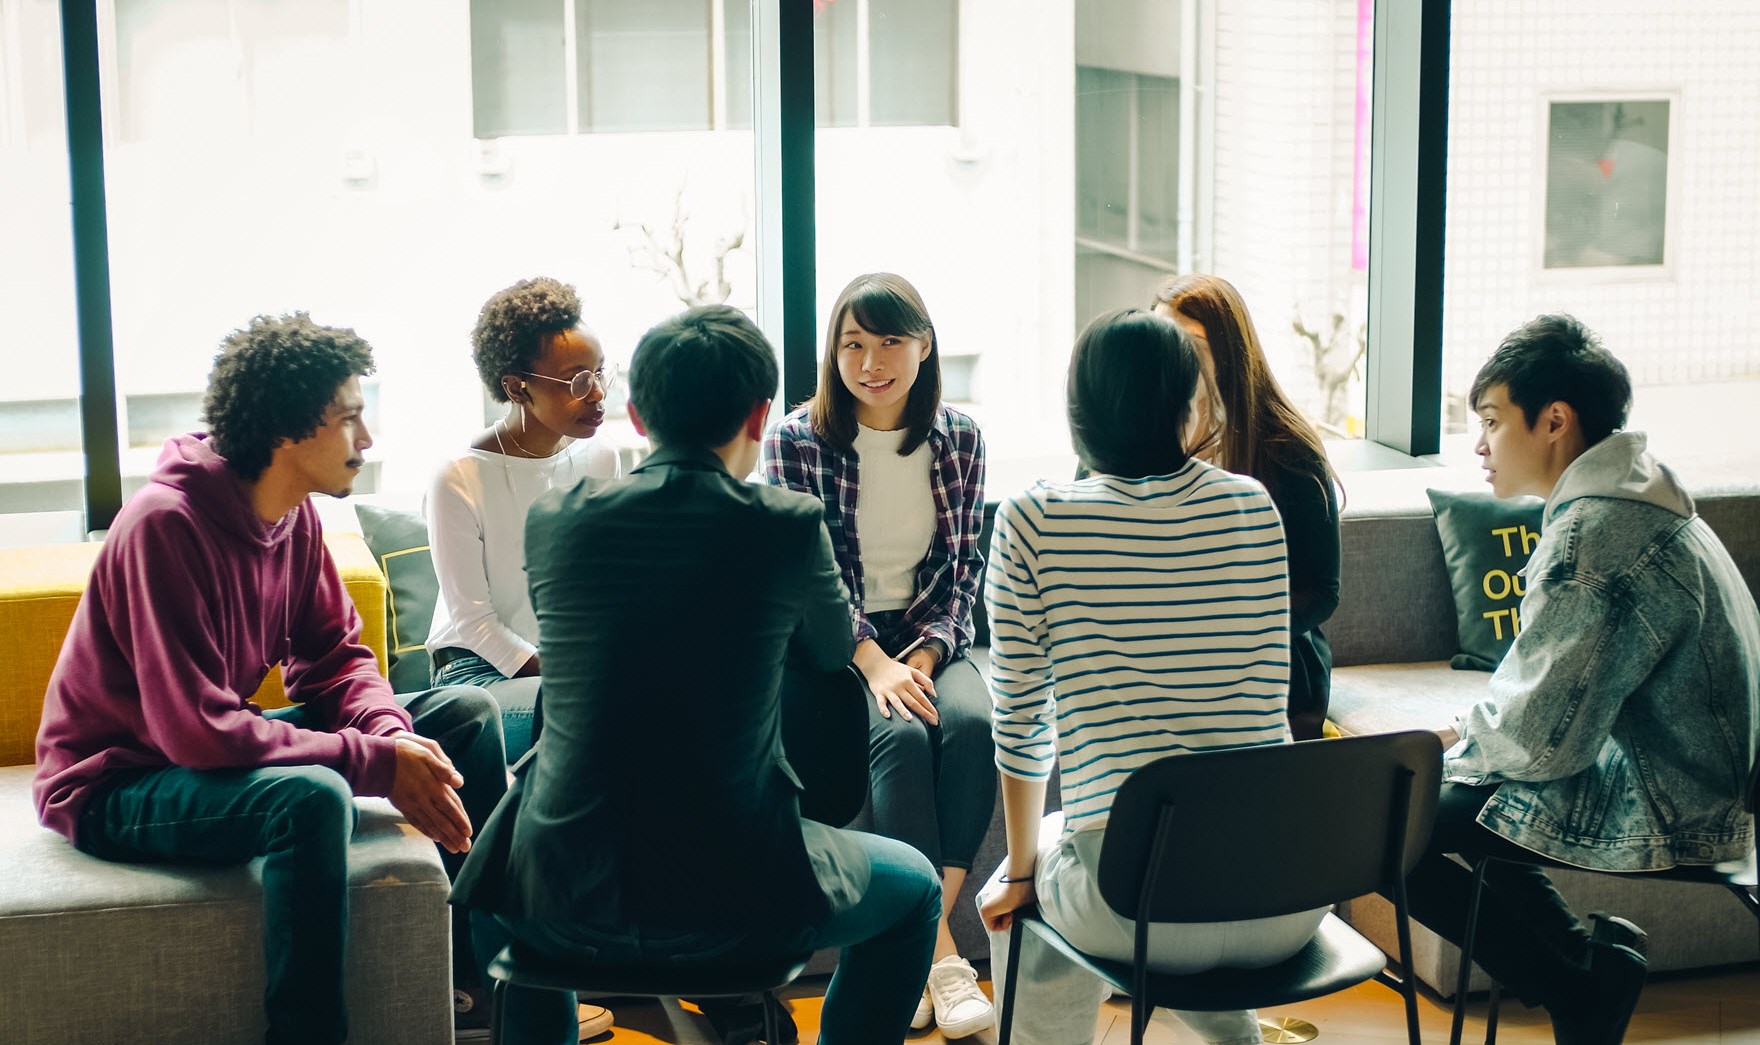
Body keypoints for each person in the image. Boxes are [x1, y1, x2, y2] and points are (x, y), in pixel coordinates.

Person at [451, 305, 943, 1045]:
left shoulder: (559, 522)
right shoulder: (786, 524)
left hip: (559, 885)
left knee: (515, 930)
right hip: (741, 892)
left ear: (637, 415)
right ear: (760, 414)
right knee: (915, 889)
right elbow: (833, 644)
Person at [32, 313, 509, 1045]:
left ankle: (471, 988)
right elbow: (192, 730)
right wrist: (373, 762)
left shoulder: (296, 518)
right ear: (288, 428)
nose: (368, 439)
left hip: (195, 748)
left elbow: (335, 658)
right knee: (311, 798)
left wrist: (389, 734)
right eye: (351, 419)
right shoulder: (166, 524)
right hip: (118, 779)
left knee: (466, 713)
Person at [1400, 314, 1759, 1045]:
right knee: (1451, 795)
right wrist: (1464, 736)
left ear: (1555, 420)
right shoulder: (1639, 495)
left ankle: (1578, 980)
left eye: (1493, 421)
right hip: (1698, 772)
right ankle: (1583, 971)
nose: (1479, 443)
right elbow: (1547, 699)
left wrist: (1441, 755)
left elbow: (1541, 745)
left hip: (1682, 800)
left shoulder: (1596, 537)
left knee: (1386, 826)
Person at [978, 308, 1326, 1045]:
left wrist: (1017, 869)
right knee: (1157, 861)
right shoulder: (1253, 506)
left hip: (1141, 901)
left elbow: (1020, 719)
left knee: (1019, 895)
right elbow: (1265, 689)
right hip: (1290, 891)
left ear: (1076, 412)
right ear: (1191, 406)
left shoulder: (1032, 521)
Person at [760, 272, 995, 1037]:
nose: (870, 361)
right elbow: (812, 576)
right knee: (896, 735)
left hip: (931, 630)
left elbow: (965, 567)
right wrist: (874, 662)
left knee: (969, 722)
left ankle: (925, 941)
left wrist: (923, 655)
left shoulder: (959, 436)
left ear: (924, 346)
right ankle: (943, 957)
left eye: (889, 340)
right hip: (839, 640)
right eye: (852, 342)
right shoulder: (797, 440)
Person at [426, 276, 622, 764]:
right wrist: (574, 676)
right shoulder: (458, 478)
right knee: (600, 718)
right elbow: (475, 624)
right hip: (475, 674)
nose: (598, 394)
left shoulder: (601, 459)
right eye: (578, 381)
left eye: (601, 374)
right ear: (517, 386)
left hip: (567, 663)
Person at [1150, 274, 1341, 740]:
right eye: (1160, 341)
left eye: (1190, 344)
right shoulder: (1139, 430)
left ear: (1229, 353)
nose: (1172, 357)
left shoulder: (1286, 449)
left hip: (1270, 656)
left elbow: (1320, 589)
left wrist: (1234, 630)